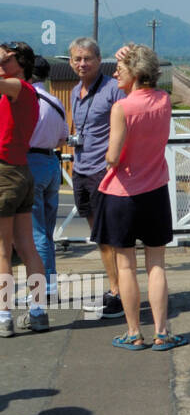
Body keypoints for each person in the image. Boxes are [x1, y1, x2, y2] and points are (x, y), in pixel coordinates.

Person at [94, 44, 186, 351]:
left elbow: (113, 156)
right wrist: (130, 55)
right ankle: (162, 332)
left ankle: (134, 333)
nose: (114, 72)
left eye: (120, 68)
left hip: (122, 195)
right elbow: (144, 77)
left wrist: (107, 154)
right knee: (156, 264)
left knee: (126, 267)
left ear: (134, 71)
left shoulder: (121, 108)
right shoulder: (164, 100)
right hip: (155, 192)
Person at [68, 37, 126, 317]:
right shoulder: (74, 91)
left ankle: (119, 293)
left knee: (110, 237)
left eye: (87, 58)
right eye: (77, 59)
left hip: (104, 172)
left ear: (99, 60)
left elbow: (128, 127)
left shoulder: (114, 89)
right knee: (98, 236)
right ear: (70, 62)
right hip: (80, 170)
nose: (82, 63)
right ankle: (115, 288)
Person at [0, 41, 54, 334]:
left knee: (2, 252)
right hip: (21, 170)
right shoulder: (26, 93)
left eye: (5, 60)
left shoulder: (19, 89)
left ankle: (4, 316)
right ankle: (37, 311)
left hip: (5, 172)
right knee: (27, 247)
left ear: (18, 64)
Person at [28, 56, 67, 302]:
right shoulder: (55, 101)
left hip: (31, 163)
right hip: (53, 163)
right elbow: (63, 137)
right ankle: (50, 284)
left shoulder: (25, 100)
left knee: (36, 232)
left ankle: (40, 290)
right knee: (47, 231)